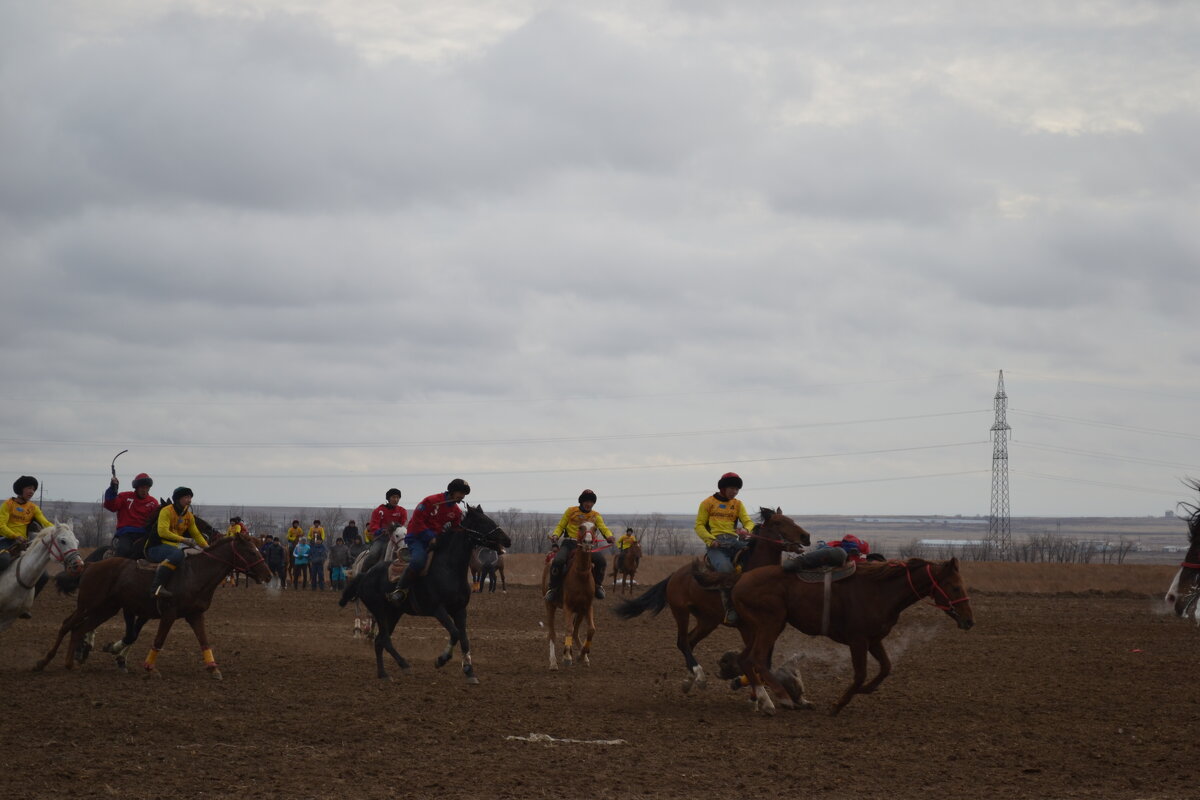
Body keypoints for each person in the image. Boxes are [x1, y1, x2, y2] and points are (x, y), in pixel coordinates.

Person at [387, 479, 470, 604]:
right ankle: (400, 589)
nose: (462, 497)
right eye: (460, 493)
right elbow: (417, 521)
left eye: (464, 494)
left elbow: (456, 528)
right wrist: (430, 536)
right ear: (452, 491)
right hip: (416, 538)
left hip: (436, 541)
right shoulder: (430, 501)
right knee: (418, 561)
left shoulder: (456, 511)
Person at [695, 472, 756, 625]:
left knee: (755, 557)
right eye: (732, 488)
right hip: (717, 546)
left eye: (737, 489)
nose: (735, 492)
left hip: (734, 542)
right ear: (723, 487)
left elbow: (749, 522)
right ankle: (730, 609)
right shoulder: (707, 503)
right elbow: (699, 525)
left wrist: (746, 530)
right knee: (726, 570)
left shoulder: (738, 504)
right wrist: (710, 540)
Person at [544, 489, 614, 602]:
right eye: (586, 501)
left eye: (591, 502)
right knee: (558, 561)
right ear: (581, 502)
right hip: (570, 543)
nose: (589, 504)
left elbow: (603, 528)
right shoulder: (571, 511)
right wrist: (556, 535)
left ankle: (597, 586)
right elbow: (561, 525)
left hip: (587, 546)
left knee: (602, 561)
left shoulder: (595, 515)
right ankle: (553, 589)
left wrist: (609, 536)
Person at [145, 486, 209, 599]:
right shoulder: (166, 511)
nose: (189, 500)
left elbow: (197, 534)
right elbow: (162, 532)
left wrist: (208, 549)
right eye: (186, 497)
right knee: (178, 554)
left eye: (190, 497)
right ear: (178, 499)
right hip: (155, 547)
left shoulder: (189, 516)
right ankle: (156, 588)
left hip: (173, 548)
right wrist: (183, 540)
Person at [0, 477, 53, 598]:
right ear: (21, 489)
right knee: (3, 561)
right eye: (29, 488)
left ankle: (25, 603)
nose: (32, 491)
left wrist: (61, 530)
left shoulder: (33, 508)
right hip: (5, 541)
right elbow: (1, 525)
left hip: (23, 545)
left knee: (43, 576)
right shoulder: (8, 504)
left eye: (33, 489)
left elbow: (45, 523)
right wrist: (15, 535)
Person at [102, 472, 160, 558]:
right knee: (123, 550)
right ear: (136, 488)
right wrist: (113, 489)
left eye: (147, 488)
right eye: (142, 488)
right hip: (126, 534)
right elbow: (111, 506)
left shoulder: (153, 502)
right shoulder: (124, 497)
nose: (144, 490)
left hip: (144, 535)